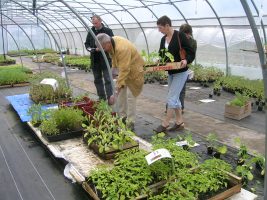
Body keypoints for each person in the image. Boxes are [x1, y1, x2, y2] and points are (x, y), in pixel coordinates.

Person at [154, 16, 195, 133]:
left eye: (160, 27)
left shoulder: (180, 36)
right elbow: (161, 54)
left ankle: (165, 124)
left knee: (171, 98)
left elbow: (191, 52)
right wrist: (159, 60)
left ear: (167, 25)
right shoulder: (163, 39)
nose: (159, 30)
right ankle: (179, 122)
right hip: (171, 71)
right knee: (174, 98)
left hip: (181, 72)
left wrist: (186, 60)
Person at [95, 33, 144, 130]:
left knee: (131, 97)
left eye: (104, 48)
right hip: (124, 69)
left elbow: (124, 70)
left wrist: (115, 92)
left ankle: (131, 122)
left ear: (108, 43)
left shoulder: (122, 48)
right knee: (122, 95)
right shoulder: (112, 41)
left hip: (134, 71)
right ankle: (123, 117)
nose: (104, 50)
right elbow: (114, 58)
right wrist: (113, 71)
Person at [165, 23, 197, 113]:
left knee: (181, 89)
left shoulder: (193, 42)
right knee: (172, 89)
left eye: (187, 34)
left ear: (190, 33)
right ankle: (168, 107)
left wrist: (186, 61)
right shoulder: (176, 39)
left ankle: (180, 108)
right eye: (184, 34)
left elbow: (192, 54)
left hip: (184, 67)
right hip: (173, 67)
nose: (186, 36)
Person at [84, 15, 114, 100]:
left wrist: (103, 49)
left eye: (96, 23)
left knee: (108, 79)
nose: (94, 25)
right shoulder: (91, 31)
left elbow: (112, 43)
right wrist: (92, 49)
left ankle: (110, 98)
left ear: (100, 21)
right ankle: (101, 98)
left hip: (106, 60)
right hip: (95, 60)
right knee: (97, 80)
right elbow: (87, 44)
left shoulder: (107, 31)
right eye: (93, 23)